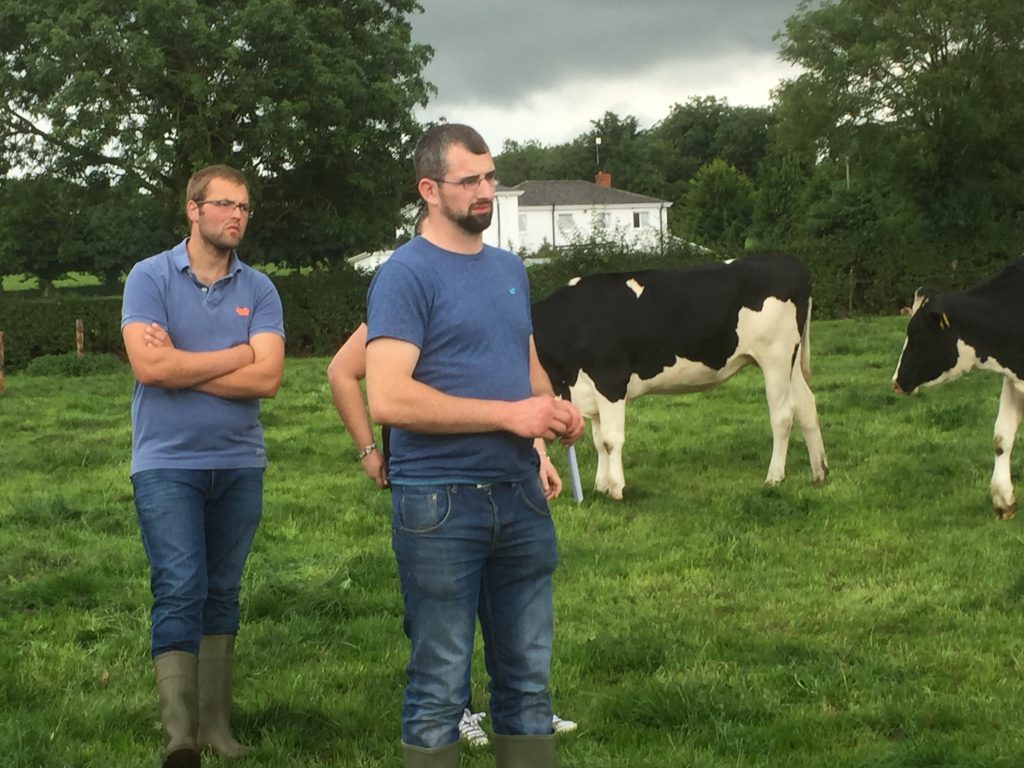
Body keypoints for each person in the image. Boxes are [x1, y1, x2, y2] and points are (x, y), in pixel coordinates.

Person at [363, 123, 585, 768]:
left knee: (527, 682)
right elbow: (390, 399)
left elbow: (524, 363)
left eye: (490, 177)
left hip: (519, 495)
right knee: (439, 685)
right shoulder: (403, 276)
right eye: (471, 181)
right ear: (429, 190)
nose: (487, 191)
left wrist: (547, 425)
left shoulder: (508, 268)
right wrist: (511, 414)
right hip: (438, 503)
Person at [326, 324, 580, 748]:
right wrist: (368, 452)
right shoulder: (408, 290)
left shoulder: (501, 281)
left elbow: (518, 382)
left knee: (509, 616)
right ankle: (456, 709)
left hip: (508, 482)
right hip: (433, 485)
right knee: (443, 622)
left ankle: (519, 707)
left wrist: (538, 449)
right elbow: (341, 371)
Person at [121, 164, 285, 768]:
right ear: (193, 210)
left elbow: (268, 378)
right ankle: (179, 736)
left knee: (223, 591)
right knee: (180, 585)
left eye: (244, 206)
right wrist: (236, 355)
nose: (237, 215)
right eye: (224, 204)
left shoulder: (260, 288)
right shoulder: (149, 278)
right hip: (165, 464)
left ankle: (217, 728)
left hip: (240, 463)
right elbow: (150, 369)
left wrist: (185, 363)